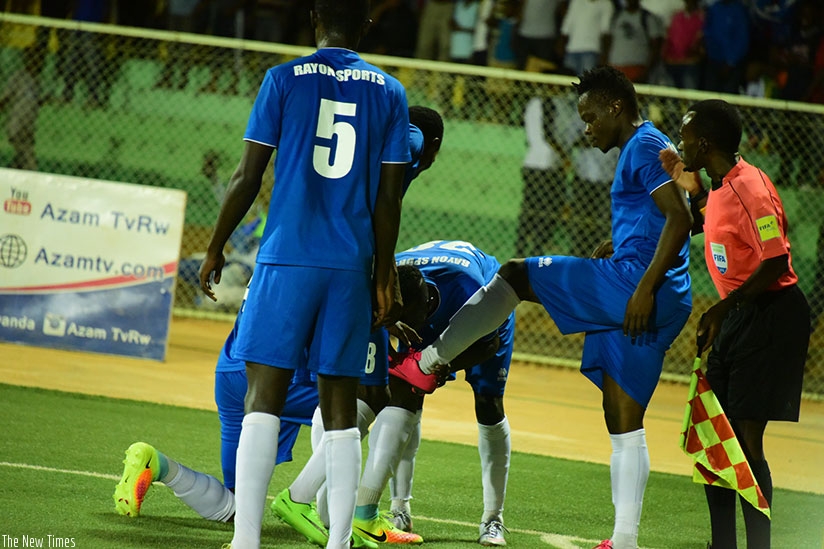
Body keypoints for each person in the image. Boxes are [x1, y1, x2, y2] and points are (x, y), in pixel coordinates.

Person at [393, 66, 694, 549]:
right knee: (623, 418)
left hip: (636, 290)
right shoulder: (648, 145)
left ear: (616, 107)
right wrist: (621, 242)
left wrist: (640, 287)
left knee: (515, 273)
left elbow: (679, 219)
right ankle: (625, 540)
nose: (586, 128)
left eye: (591, 117)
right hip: (665, 294)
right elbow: (687, 217)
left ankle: (427, 362)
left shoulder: (641, 145)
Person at [197, 1, 410, 547]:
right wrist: (383, 270)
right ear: (366, 23)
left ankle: (246, 541)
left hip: (286, 259)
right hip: (349, 266)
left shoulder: (281, 79)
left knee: (261, 397)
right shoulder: (388, 90)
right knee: (340, 407)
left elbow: (248, 174)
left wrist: (216, 244)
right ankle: (337, 542)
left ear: (314, 19)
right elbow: (389, 197)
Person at [275, 240, 514, 547]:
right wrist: (392, 331)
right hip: (406, 295)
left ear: (426, 309)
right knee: (392, 391)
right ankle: (382, 511)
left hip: (483, 314)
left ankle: (493, 517)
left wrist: (443, 364)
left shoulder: (470, 291)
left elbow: (488, 344)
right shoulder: (387, 284)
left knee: (488, 405)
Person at [660, 99, 810, 549]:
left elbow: (775, 259)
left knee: (744, 439)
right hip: (741, 315)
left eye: (685, 135)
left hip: (772, 315)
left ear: (704, 143)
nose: (680, 140)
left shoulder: (752, 187)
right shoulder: (721, 185)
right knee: (715, 436)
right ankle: (721, 543)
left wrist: (722, 310)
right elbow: (713, 220)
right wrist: (691, 193)